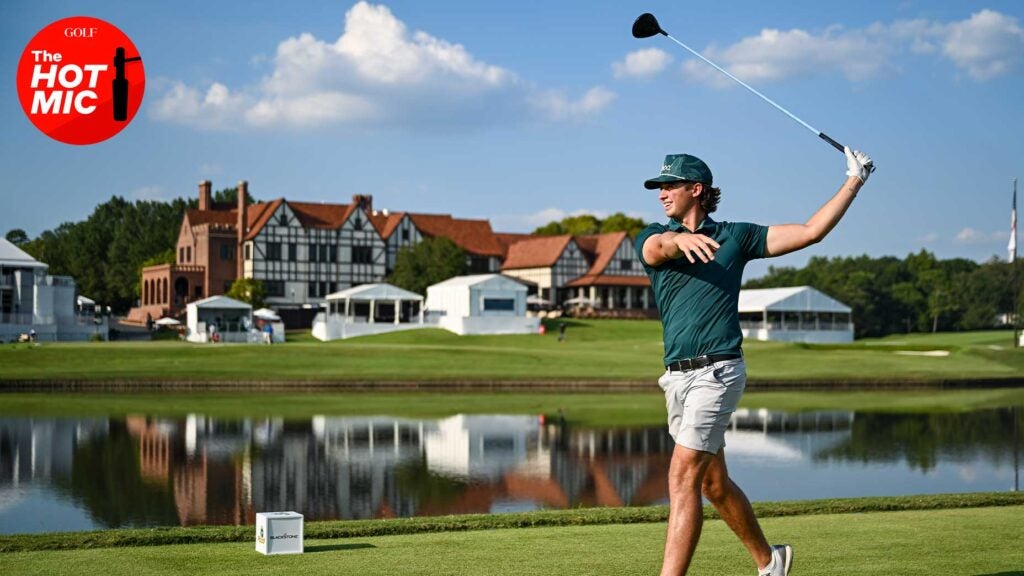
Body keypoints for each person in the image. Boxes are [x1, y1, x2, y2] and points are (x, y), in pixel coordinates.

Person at [635, 148, 871, 576]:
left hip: (719, 371)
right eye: (659, 187)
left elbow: (810, 232)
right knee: (713, 483)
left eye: (669, 185)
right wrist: (679, 240)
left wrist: (854, 181)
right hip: (676, 379)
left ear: (696, 189)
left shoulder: (735, 237)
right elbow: (656, 249)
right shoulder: (653, 235)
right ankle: (770, 561)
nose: (662, 193)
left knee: (682, 476)